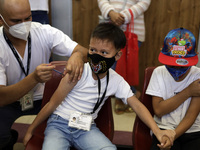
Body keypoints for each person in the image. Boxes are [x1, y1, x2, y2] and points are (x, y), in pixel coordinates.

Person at [24, 23, 175, 150]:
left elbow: (137, 106)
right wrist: (32, 129)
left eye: (104, 52)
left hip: (86, 128)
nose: (96, 56)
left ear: (117, 56)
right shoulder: (78, 72)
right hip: (59, 124)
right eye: (92, 50)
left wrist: (157, 131)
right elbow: (52, 104)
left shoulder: (116, 81)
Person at [0, 0, 88, 149]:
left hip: (44, 100)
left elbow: (83, 51)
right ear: (1, 20)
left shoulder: (44, 31)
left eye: (27, 18)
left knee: (70, 130)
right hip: (10, 102)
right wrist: (34, 79)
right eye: (16, 21)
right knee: (2, 137)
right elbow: (1, 98)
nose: (23, 24)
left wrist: (77, 56)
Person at [146, 27, 200, 150]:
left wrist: (173, 135)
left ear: (195, 56)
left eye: (182, 66)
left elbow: (191, 116)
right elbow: (159, 110)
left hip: (194, 132)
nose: (177, 70)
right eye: (172, 65)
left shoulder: (198, 75)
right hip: (163, 130)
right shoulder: (158, 73)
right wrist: (188, 91)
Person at [97, 0, 151, 114]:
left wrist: (124, 16)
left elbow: (145, 2)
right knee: (110, 67)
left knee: (125, 68)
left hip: (133, 31)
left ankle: (123, 98)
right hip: (109, 29)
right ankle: (132, 94)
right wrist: (111, 12)